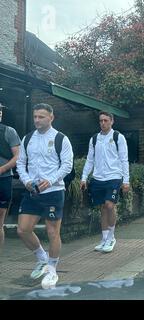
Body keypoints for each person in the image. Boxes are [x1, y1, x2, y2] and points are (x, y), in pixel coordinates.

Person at [16, 103, 73, 289]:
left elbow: (67, 165)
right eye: (35, 117)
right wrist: (26, 181)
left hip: (53, 192)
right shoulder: (27, 138)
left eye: (41, 117)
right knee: (23, 229)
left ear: (51, 117)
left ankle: (52, 270)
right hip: (32, 191)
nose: (37, 120)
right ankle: (41, 258)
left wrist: (50, 180)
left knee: (52, 232)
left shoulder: (60, 139)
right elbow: (21, 163)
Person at [81, 111, 130, 253]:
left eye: (106, 120)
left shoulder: (118, 137)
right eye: (101, 121)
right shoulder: (94, 139)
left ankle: (111, 237)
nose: (103, 123)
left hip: (114, 176)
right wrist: (84, 177)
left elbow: (124, 159)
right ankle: (104, 239)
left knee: (109, 205)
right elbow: (90, 160)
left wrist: (126, 180)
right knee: (102, 208)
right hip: (98, 178)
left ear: (112, 121)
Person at [0, 103, 21, 249]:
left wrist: (2, 169)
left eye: (0, 111)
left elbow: (18, 156)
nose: (0, 114)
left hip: (3, 179)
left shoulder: (8, 131)